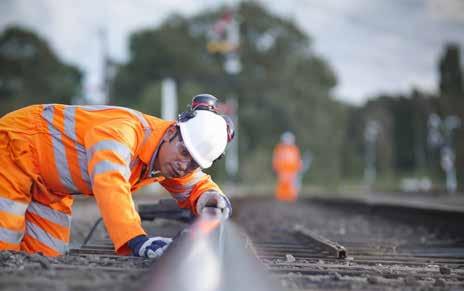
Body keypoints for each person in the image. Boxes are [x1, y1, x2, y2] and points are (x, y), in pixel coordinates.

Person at [0, 94, 233, 258]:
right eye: (184, 153)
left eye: (194, 163)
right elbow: (110, 183)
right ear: (171, 132)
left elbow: (196, 187)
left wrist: (212, 199)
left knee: (44, 258)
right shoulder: (122, 132)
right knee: (5, 249)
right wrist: (136, 240)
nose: (184, 166)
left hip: (51, 187)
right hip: (14, 147)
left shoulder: (166, 156)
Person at [272, 131, 302, 202]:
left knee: (292, 188)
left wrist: (298, 168)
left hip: (292, 172)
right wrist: (276, 168)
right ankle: (281, 199)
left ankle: (291, 199)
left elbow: (297, 160)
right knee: (283, 186)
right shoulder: (279, 148)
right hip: (282, 172)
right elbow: (276, 159)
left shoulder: (294, 149)